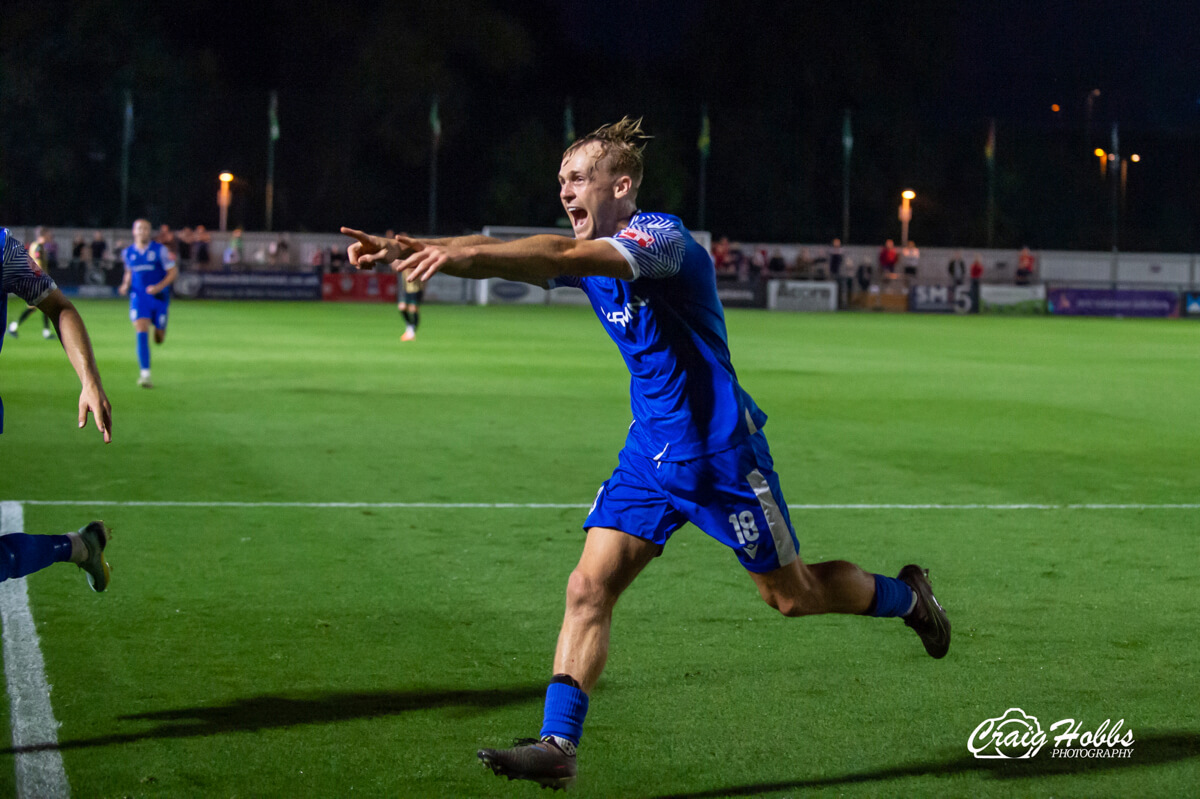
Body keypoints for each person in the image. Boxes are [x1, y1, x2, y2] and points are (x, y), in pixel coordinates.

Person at [341, 117, 950, 791]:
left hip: (723, 456)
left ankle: (907, 597)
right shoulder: (588, 249)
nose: (565, 191)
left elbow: (557, 258)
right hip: (651, 455)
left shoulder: (660, 239)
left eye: (577, 178)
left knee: (792, 596)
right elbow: (513, 253)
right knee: (587, 587)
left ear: (620, 185)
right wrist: (416, 248)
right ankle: (558, 743)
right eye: (561, 181)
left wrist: (441, 251)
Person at [0, 226, 113, 590]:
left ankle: (77, 547)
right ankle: (80, 547)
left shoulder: (3, 250)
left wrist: (90, 381)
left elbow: (59, 306)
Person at [118, 219, 177, 388]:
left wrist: (158, 287)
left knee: (159, 338)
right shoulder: (128, 253)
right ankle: (145, 375)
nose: (142, 231)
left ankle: (160, 328)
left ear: (149, 232)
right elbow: (129, 272)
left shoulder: (160, 251)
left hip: (159, 299)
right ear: (134, 231)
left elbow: (173, 273)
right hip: (139, 298)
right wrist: (125, 285)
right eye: (139, 228)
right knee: (141, 330)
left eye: (146, 229)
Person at [8, 227, 55, 340]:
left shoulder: (37, 246)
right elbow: (37, 264)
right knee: (33, 307)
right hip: (36, 282)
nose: (50, 237)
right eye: (49, 235)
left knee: (45, 305)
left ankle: (46, 331)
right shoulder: (38, 247)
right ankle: (13, 327)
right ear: (43, 236)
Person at [397, 270, 424, 342]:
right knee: (402, 307)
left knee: (413, 309)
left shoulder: (416, 263)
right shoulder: (403, 263)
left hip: (416, 289)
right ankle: (409, 326)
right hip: (406, 290)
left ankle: (411, 332)